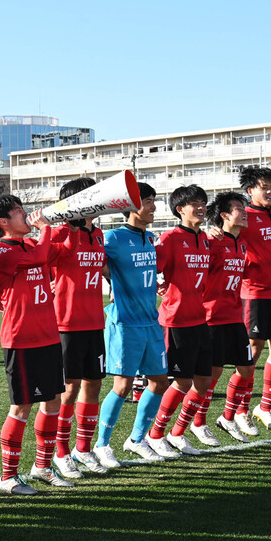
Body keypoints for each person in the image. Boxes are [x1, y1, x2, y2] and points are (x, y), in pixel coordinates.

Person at [0, 195, 73, 494]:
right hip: (21, 338)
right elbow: (39, 258)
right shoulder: (0, 250)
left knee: (53, 402)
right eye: (19, 212)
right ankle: (8, 476)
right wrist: (46, 228)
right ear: (4, 222)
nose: (26, 215)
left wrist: (72, 220)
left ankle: (43, 466)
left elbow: (64, 249)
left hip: (48, 335)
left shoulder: (33, 244)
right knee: (22, 406)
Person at [93, 183, 170, 465]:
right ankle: (102, 445)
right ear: (130, 206)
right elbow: (94, 263)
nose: (153, 206)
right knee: (122, 385)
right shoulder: (112, 238)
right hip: (123, 322)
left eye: (153, 200)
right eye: (147, 201)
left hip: (151, 320)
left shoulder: (149, 238)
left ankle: (137, 439)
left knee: (159, 381)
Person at [143, 185, 213, 456]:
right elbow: (152, 266)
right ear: (179, 209)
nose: (201, 207)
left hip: (200, 318)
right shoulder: (171, 237)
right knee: (181, 381)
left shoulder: (206, 238)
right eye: (194, 203)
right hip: (176, 319)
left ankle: (178, 433)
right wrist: (160, 285)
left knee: (203, 381)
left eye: (203, 202)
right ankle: (156, 434)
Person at [48, 178, 109, 478]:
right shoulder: (58, 232)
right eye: (93, 195)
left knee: (94, 385)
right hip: (66, 323)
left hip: (95, 322)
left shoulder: (98, 234)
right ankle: (61, 452)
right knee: (69, 390)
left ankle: (83, 449)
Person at [233, 166, 271, 434]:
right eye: (263, 187)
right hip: (255, 292)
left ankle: (265, 407)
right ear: (250, 191)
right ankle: (241, 410)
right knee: (252, 351)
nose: (268, 191)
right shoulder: (244, 217)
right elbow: (226, 240)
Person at [197, 192, 254, 442]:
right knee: (213, 373)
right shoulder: (213, 242)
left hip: (234, 316)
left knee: (247, 368)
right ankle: (198, 422)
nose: (244, 212)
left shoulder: (241, 243)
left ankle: (227, 417)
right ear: (224, 215)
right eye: (239, 208)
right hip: (212, 317)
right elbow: (195, 269)